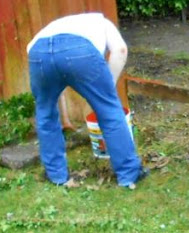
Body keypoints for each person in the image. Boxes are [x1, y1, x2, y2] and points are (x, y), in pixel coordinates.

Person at [27, 12, 147, 189]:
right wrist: (107, 91)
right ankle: (128, 174)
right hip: (79, 52)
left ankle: (57, 175)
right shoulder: (102, 23)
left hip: (38, 53)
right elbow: (120, 50)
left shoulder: (53, 27)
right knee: (109, 110)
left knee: (45, 113)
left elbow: (33, 51)